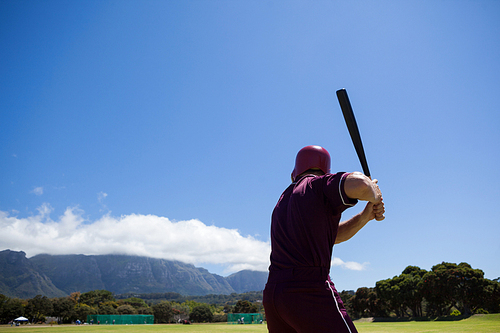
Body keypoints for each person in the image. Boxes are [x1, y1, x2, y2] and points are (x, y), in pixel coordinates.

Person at [263, 145, 385, 333]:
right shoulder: (317, 185)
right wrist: (374, 191)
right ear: (325, 172)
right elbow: (361, 186)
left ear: (294, 172)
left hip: (274, 295)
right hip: (309, 290)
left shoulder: (283, 201)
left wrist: (364, 217)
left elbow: (332, 237)